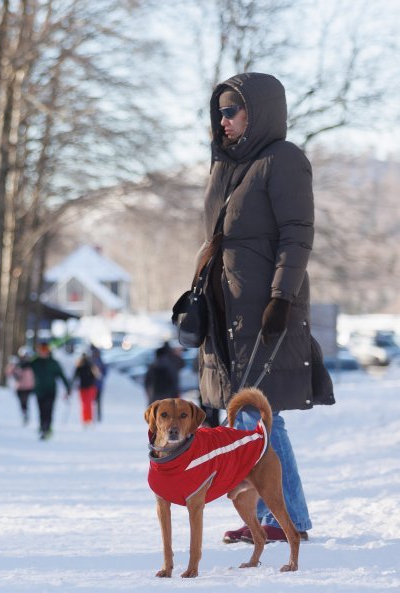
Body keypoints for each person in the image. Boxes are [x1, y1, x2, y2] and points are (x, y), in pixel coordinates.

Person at [194, 73, 335, 545]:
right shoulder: (225, 165)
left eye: (232, 111)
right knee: (248, 415)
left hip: (266, 308)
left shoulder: (284, 160)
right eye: (220, 112)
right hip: (226, 310)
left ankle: (286, 518)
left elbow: (297, 233)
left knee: (256, 413)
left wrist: (281, 297)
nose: (224, 120)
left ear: (258, 113)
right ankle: (277, 516)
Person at [27, 342, 70, 440]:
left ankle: (47, 428)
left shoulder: (53, 363)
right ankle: (42, 426)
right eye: (41, 351)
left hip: (51, 391)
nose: (43, 353)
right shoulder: (35, 362)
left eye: (45, 350)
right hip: (39, 390)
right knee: (41, 410)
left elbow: (61, 375)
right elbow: (23, 365)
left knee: (48, 409)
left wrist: (68, 388)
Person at [5, 347, 35, 425]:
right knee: (22, 402)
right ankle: (24, 413)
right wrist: (11, 365)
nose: (26, 358)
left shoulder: (32, 365)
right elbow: (9, 372)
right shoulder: (17, 364)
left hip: (28, 387)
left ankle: (25, 413)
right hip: (20, 387)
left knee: (25, 400)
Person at [71, 353, 100, 427]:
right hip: (85, 387)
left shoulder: (88, 366)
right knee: (86, 404)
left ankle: (87, 419)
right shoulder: (84, 366)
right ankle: (86, 419)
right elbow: (97, 376)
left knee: (86, 404)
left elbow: (97, 376)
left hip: (89, 387)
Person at [89, 345, 107, 422]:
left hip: (97, 385)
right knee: (92, 402)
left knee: (97, 401)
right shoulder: (92, 361)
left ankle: (97, 416)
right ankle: (92, 416)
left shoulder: (99, 362)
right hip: (92, 385)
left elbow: (105, 372)